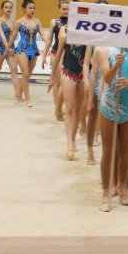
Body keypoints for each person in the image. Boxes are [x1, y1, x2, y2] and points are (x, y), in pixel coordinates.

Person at [97, 47, 128, 211]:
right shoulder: (103, 51)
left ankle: (123, 189)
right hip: (108, 105)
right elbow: (107, 78)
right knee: (108, 151)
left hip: (127, 105)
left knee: (126, 150)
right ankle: (106, 192)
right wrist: (116, 65)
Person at [48, 24, 86, 161]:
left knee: (78, 109)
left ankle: (73, 138)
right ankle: (70, 142)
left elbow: (90, 60)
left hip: (82, 75)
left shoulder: (87, 35)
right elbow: (58, 56)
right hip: (68, 73)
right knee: (69, 107)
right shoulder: (65, 35)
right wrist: (52, 77)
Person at [3, 0, 48, 108]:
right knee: (25, 74)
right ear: (24, 9)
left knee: (27, 76)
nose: (32, 10)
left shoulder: (37, 21)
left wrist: (49, 42)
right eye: (30, 8)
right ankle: (28, 99)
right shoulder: (19, 22)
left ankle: (18, 93)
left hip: (33, 49)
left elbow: (42, 35)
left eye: (34, 8)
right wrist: (7, 49)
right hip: (22, 49)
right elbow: (13, 37)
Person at [42, 0, 68, 121]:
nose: (66, 11)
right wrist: (44, 55)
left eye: (68, 9)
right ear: (59, 9)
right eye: (64, 9)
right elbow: (49, 40)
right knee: (57, 82)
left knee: (66, 82)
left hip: (69, 54)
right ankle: (57, 108)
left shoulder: (75, 22)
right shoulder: (54, 22)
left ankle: (61, 107)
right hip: (56, 52)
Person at [0, 0, 20, 99]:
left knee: (14, 70)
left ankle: (17, 92)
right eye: (6, 7)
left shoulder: (13, 22)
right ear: (2, 9)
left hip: (11, 48)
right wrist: (7, 48)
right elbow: (2, 35)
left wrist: (12, 47)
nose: (8, 9)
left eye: (10, 7)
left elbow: (13, 36)